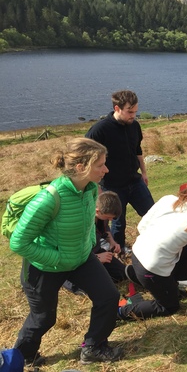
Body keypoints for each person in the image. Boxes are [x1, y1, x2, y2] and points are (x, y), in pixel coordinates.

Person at [10, 138, 122, 365]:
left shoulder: (91, 189)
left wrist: (89, 244)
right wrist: (58, 258)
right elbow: (18, 242)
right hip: (45, 266)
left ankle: (93, 347)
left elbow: (90, 222)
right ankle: (22, 359)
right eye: (100, 164)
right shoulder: (48, 199)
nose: (106, 169)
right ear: (81, 167)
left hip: (80, 258)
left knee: (108, 297)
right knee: (44, 319)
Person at [117, 177, 187, 320]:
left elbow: (142, 225)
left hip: (137, 254)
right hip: (151, 269)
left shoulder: (168, 200)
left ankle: (157, 282)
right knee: (169, 306)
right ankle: (120, 312)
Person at [85, 90, 155, 251]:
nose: (133, 116)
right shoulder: (99, 130)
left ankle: (157, 244)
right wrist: (98, 187)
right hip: (112, 185)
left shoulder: (134, 126)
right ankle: (118, 251)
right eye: (130, 112)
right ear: (117, 108)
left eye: (135, 112)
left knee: (152, 214)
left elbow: (138, 150)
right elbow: (86, 160)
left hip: (135, 181)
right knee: (118, 221)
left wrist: (143, 173)